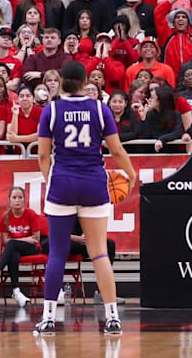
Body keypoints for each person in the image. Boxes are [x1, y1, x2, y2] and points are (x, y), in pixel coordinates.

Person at [33, 60, 137, 335]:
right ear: (83, 83)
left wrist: (50, 179)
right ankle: (112, 317)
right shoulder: (100, 109)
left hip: (62, 182)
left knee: (56, 254)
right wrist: (131, 173)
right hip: (93, 182)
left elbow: (43, 155)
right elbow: (115, 150)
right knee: (100, 253)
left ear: (62, 81)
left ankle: (48, 320)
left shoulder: (51, 110)